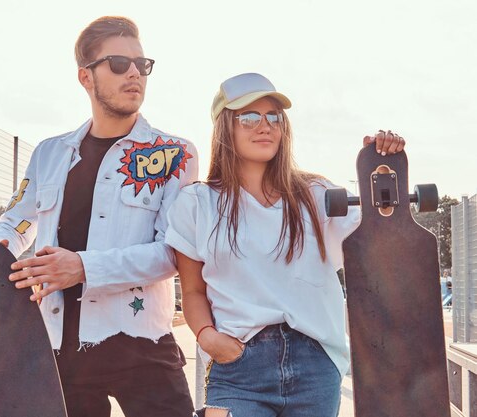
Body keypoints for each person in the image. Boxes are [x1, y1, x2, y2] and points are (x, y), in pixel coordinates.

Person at [0, 16, 197, 417]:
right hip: (58, 351)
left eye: (143, 64)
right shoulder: (50, 153)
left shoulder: (174, 153)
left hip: (143, 344)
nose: (135, 73)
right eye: (119, 64)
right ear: (86, 77)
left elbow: (171, 255)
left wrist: (82, 267)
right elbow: (16, 222)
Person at [165, 72, 406, 417]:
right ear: (224, 128)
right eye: (248, 117)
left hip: (314, 366)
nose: (264, 126)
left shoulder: (316, 194)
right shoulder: (197, 203)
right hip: (237, 368)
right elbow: (192, 292)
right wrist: (207, 338)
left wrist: (381, 165)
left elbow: (377, 237)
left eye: (273, 117)